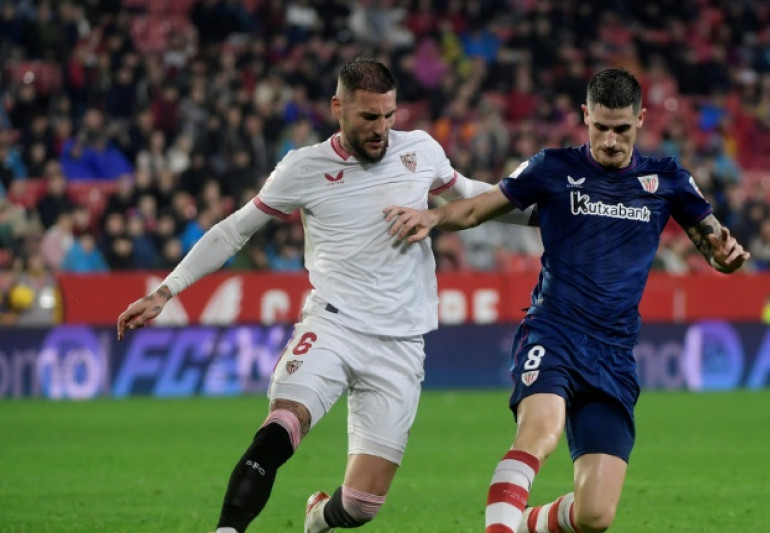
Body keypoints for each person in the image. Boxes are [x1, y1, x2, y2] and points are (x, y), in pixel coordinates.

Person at [116, 57, 533, 533]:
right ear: (338, 108)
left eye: (389, 115)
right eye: (369, 117)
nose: (382, 129)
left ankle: (319, 517)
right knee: (282, 426)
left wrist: (544, 211)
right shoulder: (304, 167)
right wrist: (167, 290)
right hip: (333, 325)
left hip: (400, 343)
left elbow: (474, 195)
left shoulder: (420, 150)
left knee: (361, 506)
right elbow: (234, 231)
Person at [384, 68, 750, 533]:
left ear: (641, 119)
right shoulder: (553, 168)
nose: (611, 141)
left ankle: (522, 523)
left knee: (595, 515)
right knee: (540, 433)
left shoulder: (668, 179)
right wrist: (432, 219)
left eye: (622, 129)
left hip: (613, 355)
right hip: (553, 333)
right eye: (601, 127)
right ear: (585, 117)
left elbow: (714, 244)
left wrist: (725, 258)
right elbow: (478, 208)